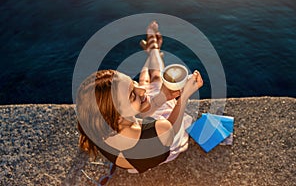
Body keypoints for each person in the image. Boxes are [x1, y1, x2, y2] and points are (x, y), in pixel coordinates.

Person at [76, 21, 203, 175]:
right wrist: (183, 98)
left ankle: (152, 52)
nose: (141, 90)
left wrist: (160, 98)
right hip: (163, 145)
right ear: (116, 117)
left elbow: (139, 114)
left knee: (147, 83)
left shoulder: (98, 124)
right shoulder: (160, 128)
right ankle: (154, 49)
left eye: (132, 82)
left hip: (133, 161)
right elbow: (171, 130)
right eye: (132, 95)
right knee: (156, 78)